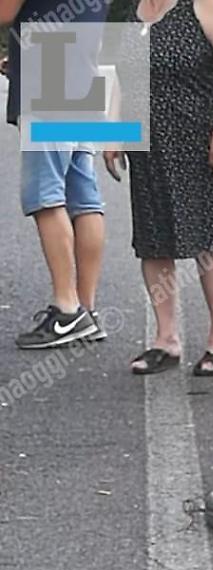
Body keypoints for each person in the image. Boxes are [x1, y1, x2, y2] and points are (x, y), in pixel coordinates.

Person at [105, 0, 213, 376]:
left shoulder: (204, 4)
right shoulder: (135, 11)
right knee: (153, 241)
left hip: (201, 142)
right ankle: (165, 340)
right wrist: (114, 132)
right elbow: (128, 77)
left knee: (208, 240)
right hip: (149, 147)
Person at [1, 0, 108, 349]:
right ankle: (85, 311)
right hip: (83, 68)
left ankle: (67, 308)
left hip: (47, 67)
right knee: (83, 197)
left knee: (45, 195)